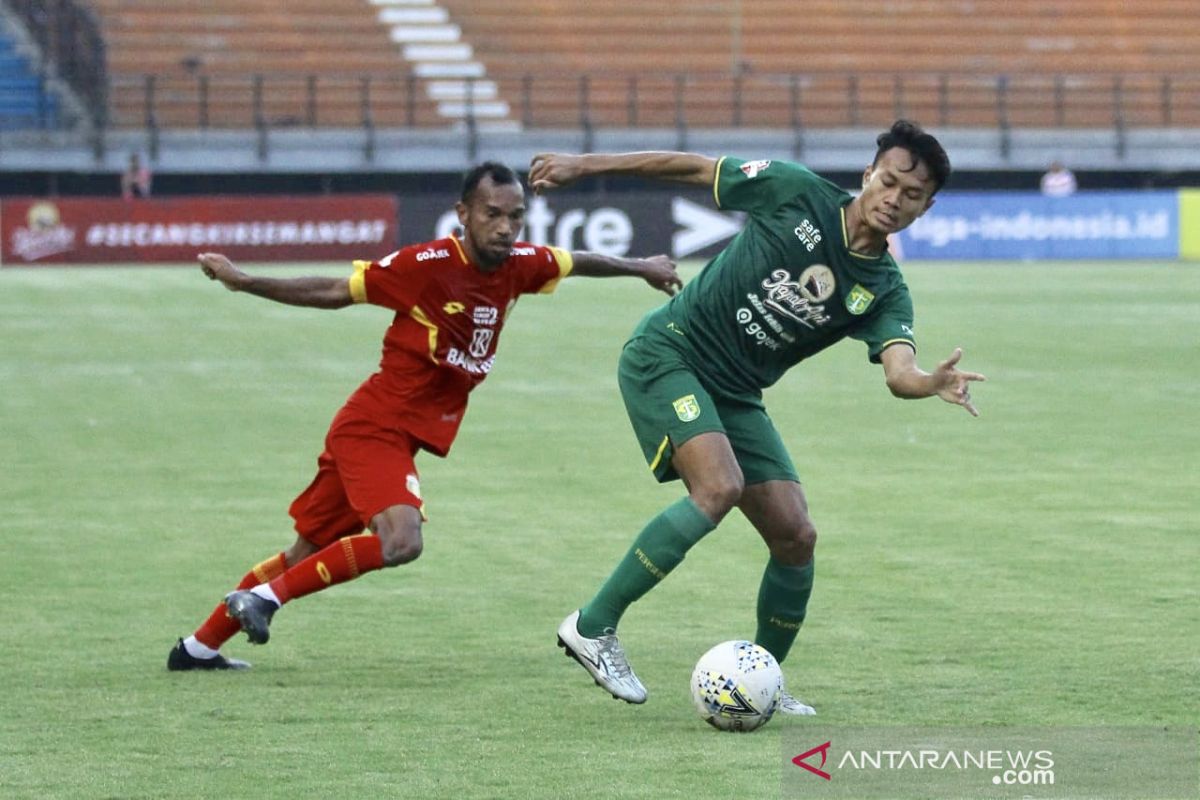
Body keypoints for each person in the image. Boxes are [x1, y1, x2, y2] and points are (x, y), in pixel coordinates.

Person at [528, 120, 986, 714]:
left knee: (796, 536)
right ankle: (593, 626)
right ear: (868, 174)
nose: (895, 200)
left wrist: (931, 383)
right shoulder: (795, 191)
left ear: (927, 209)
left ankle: (761, 679)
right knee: (719, 486)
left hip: (738, 394)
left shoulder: (885, 290)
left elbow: (899, 372)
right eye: (890, 182)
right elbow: (693, 168)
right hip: (671, 352)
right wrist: (583, 166)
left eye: (913, 195)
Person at [167, 161, 682, 671]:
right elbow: (331, 291)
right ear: (463, 213)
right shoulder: (426, 265)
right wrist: (245, 280)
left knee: (304, 553)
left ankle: (197, 648)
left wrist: (642, 267)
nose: (505, 228)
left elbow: (576, 261)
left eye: (516, 217)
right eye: (492, 214)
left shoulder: (519, 264)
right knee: (401, 540)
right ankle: (264, 601)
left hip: (390, 434)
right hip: (375, 429)